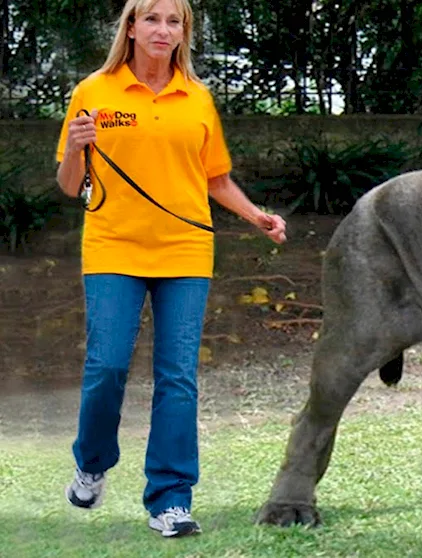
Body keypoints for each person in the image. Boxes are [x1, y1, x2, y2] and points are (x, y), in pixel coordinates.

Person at [54, 0, 286, 538]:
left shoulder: (196, 99)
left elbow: (215, 178)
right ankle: (92, 461)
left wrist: (258, 217)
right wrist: (74, 147)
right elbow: (71, 185)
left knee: (177, 377)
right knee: (107, 366)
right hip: (114, 247)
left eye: (174, 21)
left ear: (184, 32)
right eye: (152, 19)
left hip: (185, 248)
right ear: (131, 27)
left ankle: (171, 498)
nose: (163, 30)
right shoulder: (94, 92)